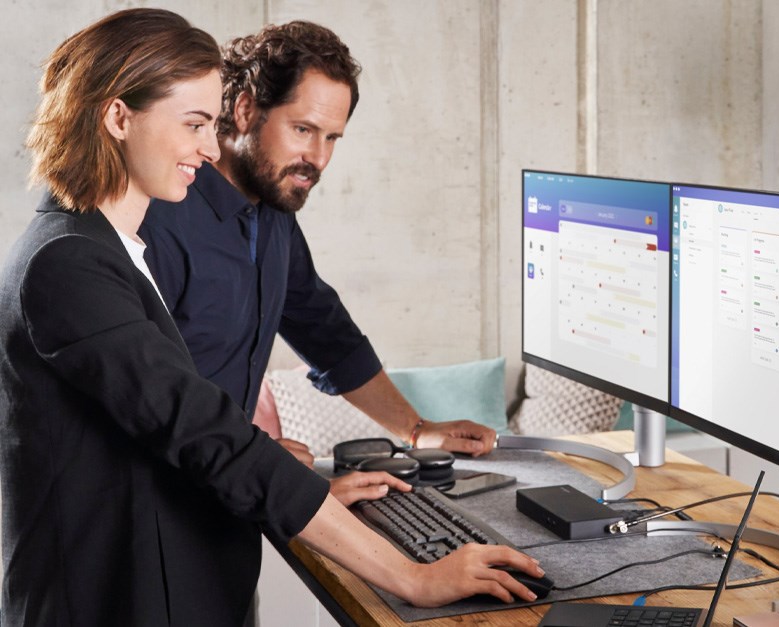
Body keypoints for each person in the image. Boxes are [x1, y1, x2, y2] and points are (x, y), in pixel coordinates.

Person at [0, 10, 541, 625]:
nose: (207, 149)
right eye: (194, 124)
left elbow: (313, 333)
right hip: (115, 590)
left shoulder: (119, 245)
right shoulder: (69, 263)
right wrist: (411, 577)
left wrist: (312, 467)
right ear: (118, 117)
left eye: (333, 137)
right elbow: (201, 431)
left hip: (197, 549)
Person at [139, 21, 496, 463]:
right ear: (247, 110)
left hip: (226, 496)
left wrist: (417, 430)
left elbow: (326, 332)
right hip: (156, 503)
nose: (320, 159)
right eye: (303, 130)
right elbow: (140, 396)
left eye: (332, 138)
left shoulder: (273, 214)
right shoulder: (158, 217)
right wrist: (256, 460)